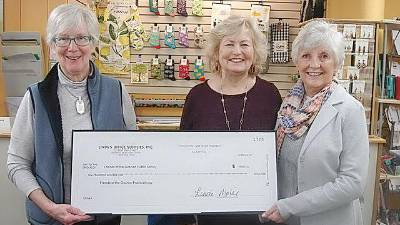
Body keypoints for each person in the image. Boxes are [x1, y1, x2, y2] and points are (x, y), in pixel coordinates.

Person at [7, 3, 137, 225]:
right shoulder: (36, 97)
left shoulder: (116, 91)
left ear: (94, 43)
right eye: (63, 39)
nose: (72, 47)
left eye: (81, 38)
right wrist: (51, 209)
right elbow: (16, 164)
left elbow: (133, 153)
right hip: (51, 219)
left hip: (103, 219)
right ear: (52, 45)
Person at [147, 15, 282, 225]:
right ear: (217, 52)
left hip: (259, 214)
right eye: (229, 44)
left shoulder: (270, 95)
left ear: (255, 52)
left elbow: (278, 155)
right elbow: (182, 157)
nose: (237, 51)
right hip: (206, 212)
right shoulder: (197, 97)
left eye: (244, 44)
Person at [261, 20, 369, 225]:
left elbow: (352, 184)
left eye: (324, 56)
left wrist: (290, 206)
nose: (314, 65)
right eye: (306, 56)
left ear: (336, 63)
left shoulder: (349, 110)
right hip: (284, 220)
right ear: (296, 61)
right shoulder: (287, 108)